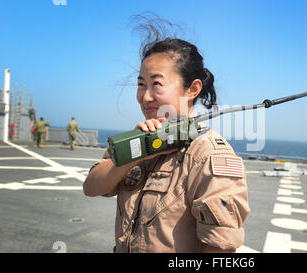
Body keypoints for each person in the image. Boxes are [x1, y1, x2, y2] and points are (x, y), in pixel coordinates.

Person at [83, 18, 250, 253]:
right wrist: (137, 152)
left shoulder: (209, 153)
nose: (146, 96)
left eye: (156, 84)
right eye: (141, 84)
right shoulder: (137, 139)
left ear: (192, 89)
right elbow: (92, 187)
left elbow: (220, 248)